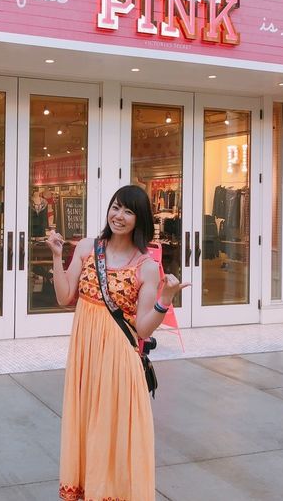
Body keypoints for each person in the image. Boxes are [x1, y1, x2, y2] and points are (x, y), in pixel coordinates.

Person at [46, 184, 189, 501]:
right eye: (116, 207)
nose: (119, 216)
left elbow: (142, 329)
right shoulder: (87, 248)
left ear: (140, 219)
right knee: (87, 426)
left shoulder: (146, 267)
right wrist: (56, 257)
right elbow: (64, 296)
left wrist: (165, 300)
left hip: (118, 362)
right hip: (85, 357)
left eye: (128, 211)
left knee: (111, 433)